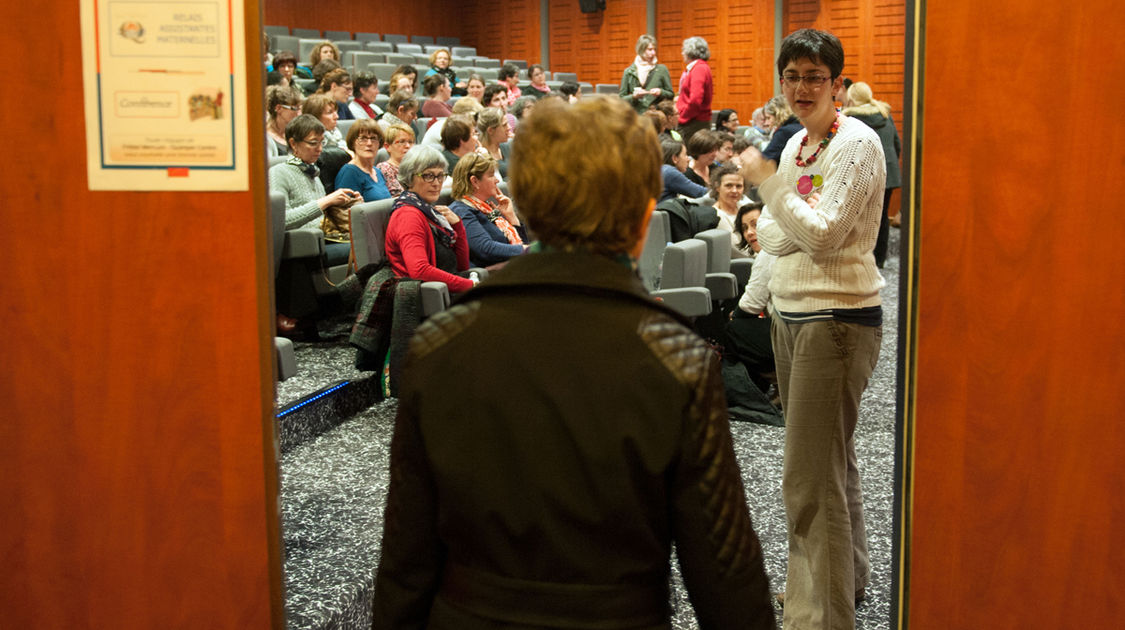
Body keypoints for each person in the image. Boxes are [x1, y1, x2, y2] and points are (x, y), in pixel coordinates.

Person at [373, 95, 775, 630]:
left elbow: (405, 563)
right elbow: (726, 577)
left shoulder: (440, 344)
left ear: (529, 210)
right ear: (640, 220)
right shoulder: (676, 360)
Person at [739, 28, 886, 630]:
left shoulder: (856, 143)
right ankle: (843, 580)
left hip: (836, 319)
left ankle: (819, 615)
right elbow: (777, 237)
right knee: (831, 461)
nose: (801, 88)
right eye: (792, 76)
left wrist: (768, 187)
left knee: (808, 474)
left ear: (838, 84)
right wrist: (784, 213)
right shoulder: (801, 144)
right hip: (794, 313)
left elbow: (821, 235)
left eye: (814, 77)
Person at [268, 114, 359, 265]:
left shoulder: (312, 172)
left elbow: (322, 217)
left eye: (321, 142)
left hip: (323, 238)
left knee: (368, 245)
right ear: (293, 144)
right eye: (313, 143)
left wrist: (347, 204)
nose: (320, 149)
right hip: (301, 246)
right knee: (360, 251)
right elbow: (282, 221)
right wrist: (325, 201)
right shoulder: (278, 173)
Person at [383, 145, 474, 293]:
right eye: (428, 176)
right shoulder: (408, 215)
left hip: (447, 291)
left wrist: (457, 225)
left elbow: (462, 267)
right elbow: (419, 270)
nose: (437, 183)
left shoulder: (430, 212)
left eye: (440, 176)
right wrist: (472, 286)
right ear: (410, 178)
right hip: (428, 296)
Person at [843, 81, 902, 268]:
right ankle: (879, 259)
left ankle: (860, 257)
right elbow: (897, 144)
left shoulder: (849, 118)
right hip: (889, 172)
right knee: (882, 216)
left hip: (861, 174)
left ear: (851, 98)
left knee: (857, 216)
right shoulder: (885, 114)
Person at [726, 202, 778, 394]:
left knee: (735, 327)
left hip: (793, 331)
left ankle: (780, 381)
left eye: (755, 225)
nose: (749, 233)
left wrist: (735, 315)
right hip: (804, 328)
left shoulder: (768, 253)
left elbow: (751, 305)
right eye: (745, 228)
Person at [448, 153, 527, 267]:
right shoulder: (461, 211)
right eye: (491, 175)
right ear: (475, 181)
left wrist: (512, 217)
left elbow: (522, 243)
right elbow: (485, 248)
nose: (497, 181)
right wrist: (526, 250)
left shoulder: (486, 208)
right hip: (491, 278)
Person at [334, 120, 392, 202]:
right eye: (363, 138)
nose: (369, 143)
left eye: (373, 138)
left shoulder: (378, 172)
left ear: (379, 143)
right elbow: (346, 211)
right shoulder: (349, 172)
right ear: (353, 142)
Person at [619, 34, 674, 114]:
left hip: (657, 116)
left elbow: (671, 94)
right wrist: (634, 96)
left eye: (654, 49)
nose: (653, 53)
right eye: (650, 49)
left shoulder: (662, 69)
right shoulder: (629, 72)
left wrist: (661, 92)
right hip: (636, 116)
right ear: (641, 50)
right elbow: (621, 99)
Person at [709, 164, 752, 259]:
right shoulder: (717, 215)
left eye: (739, 186)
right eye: (729, 185)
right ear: (717, 187)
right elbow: (738, 251)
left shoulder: (744, 205)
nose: (734, 190)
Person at [676, 36, 713, 143]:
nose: (682, 53)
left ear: (690, 51)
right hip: (694, 121)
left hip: (693, 123)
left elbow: (695, 100)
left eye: (683, 50)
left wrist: (682, 118)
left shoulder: (699, 68)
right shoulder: (699, 67)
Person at [761, 94, 801, 163]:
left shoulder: (784, 132)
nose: (766, 123)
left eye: (768, 118)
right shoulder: (799, 127)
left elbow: (765, 159)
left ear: (778, 114)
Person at [377, 124, 414, 197]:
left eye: (410, 142)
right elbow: (398, 196)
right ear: (387, 147)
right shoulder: (385, 168)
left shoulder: (416, 167)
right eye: (402, 142)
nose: (407, 146)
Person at [474, 107, 512, 178]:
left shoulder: (508, 146)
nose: (509, 128)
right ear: (490, 130)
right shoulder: (479, 155)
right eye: (504, 125)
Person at [265, 85, 302, 157]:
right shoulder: (265, 138)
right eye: (294, 108)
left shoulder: (297, 134)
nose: (299, 113)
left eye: (300, 108)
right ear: (278, 108)